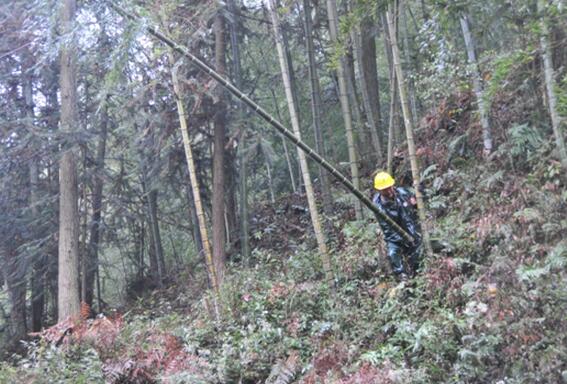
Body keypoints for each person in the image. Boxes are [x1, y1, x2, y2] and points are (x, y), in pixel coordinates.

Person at [372, 171, 422, 280]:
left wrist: (418, 198)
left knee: (419, 251)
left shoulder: (403, 192)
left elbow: (417, 203)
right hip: (395, 237)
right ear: (379, 190)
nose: (389, 191)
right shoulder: (378, 206)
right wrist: (404, 239)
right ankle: (401, 276)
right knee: (393, 253)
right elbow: (388, 230)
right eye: (385, 190)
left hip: (413, 230)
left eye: (390, 187)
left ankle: (417, 272)